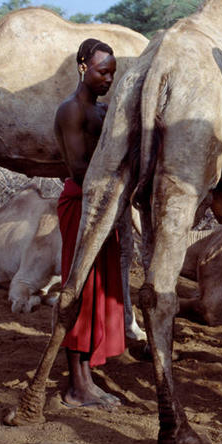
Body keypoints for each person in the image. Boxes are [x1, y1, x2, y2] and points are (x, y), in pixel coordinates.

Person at [53, 38, 125, 408]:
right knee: (79, 287)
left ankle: (86, 379)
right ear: (83, 66)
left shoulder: (102, 110)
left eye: (111, 72)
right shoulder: (72, 111)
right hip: (83, 204)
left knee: (98, 290)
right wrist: (119, 183)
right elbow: (81, 169)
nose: (108, 78)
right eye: (102, 71)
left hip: (102, 204)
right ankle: (77, 385)